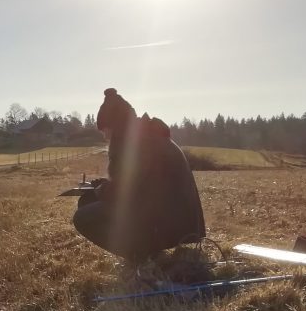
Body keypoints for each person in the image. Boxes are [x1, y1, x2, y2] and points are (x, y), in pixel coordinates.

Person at [72, 88, 206, 262]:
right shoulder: (146, 136)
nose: (105, 137)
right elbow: (138, 182)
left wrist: (100, 190)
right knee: (88, 202)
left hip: (171, 224)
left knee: (83, 217)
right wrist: (102, 186)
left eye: (105, 130)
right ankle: (146, 252)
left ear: (115, 126)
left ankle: (140, 256)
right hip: (174, 219)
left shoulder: (140, 143)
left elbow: (125, 192)